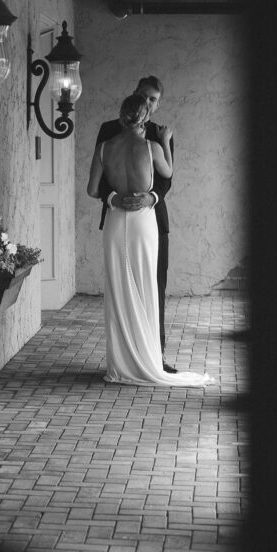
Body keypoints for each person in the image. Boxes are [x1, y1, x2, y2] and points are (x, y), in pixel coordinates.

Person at [87, 94, 213, 388]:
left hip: (117, 220)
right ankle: (148, 360)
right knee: (146, 287)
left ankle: (120, 365)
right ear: (144, 117)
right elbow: (168, 173)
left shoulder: (105, 148)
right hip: (145, 220)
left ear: (121, 115)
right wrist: (167, 141)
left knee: (119, 289)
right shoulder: (152, 147)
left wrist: (113, 197)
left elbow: (93, 190)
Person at [95, 76, 176, 371]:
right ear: (135, 96)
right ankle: (131, 359)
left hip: (151, 216)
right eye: (145, 97)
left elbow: (166, 185)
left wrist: (150, 199)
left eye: (153, 99)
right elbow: (102, 185)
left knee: (154, 287)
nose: (148, 103)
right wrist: (114, 198)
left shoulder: (159, 134)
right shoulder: (109, 132)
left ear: (158, 103)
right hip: (123, 217)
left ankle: (155, 355)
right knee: (122, 286)